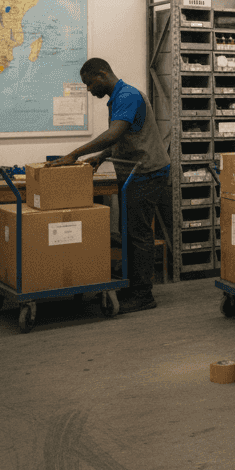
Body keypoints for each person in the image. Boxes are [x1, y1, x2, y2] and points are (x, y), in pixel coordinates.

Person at [48, 58, 172, 313]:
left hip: (146, 172)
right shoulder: (119, 96)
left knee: (138, 234)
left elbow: (114, 133)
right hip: (133, 173)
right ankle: (132, 285)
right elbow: (125, 135)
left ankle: (143, 295)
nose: (89, 89)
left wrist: (75, 154)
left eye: (89, 83)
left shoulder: (127, 95)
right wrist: (102, 156)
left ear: (102, 74)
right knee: (127, 231)